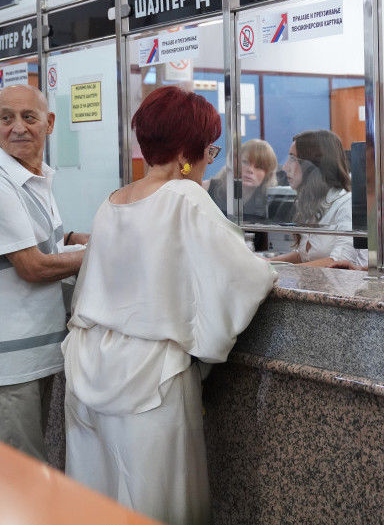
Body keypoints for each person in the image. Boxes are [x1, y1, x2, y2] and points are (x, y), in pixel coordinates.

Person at [62, 86, 276, 525]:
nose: (206, 161)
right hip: (149, 377)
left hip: (89, 363)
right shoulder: (184, 196)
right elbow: (245, 277)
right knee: (157, 500)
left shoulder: (113, 200)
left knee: (95, 495)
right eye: (208, 149)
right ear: (186, 150)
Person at [0, 84, 87, 462]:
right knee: (20, 482)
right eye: (5, 118)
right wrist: (103, 251)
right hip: (12, 367)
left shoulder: (33, 177)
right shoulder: (2, 182)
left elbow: (42, 242)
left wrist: (70, 238)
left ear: (49, 124)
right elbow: (33, 266)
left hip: (39, 354)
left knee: (34, 471)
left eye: (28, 117)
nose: (17, 127)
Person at [272, 129, 366, 268]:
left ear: (314, 165)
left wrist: (284, 270)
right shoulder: (312, 203)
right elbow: (306, 255)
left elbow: (338, 263)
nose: (285, 167)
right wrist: (269, 263)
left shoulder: (347, 204)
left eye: (293, 159)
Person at [203, 138, 277, 221]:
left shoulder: (270, 203)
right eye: (245, 162)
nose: (250, 170)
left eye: (259, 167)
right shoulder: (207, 188)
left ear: (267, 174)